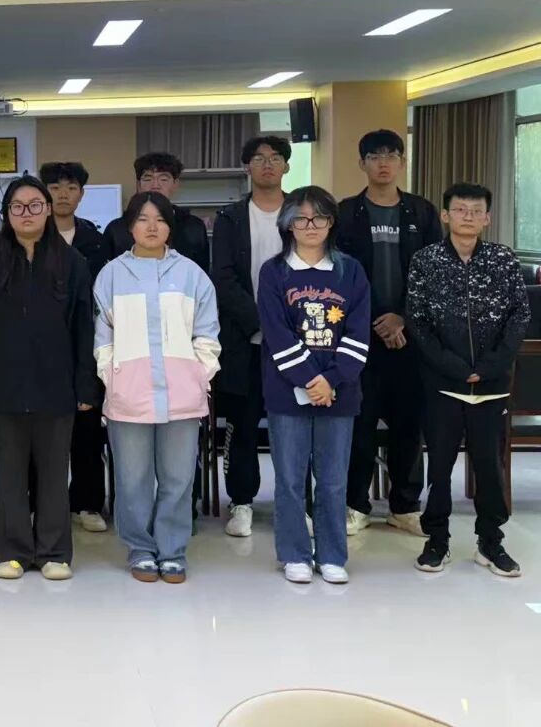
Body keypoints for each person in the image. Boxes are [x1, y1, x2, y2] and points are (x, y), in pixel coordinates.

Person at [0, 177, 98, 581]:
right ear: (6, 213)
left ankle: (54, 552)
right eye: (18, 206)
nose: (27, 213)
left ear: (48, 210)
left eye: (35, 205)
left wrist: (85, 384)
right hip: (4, 382)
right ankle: (12, 550)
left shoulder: (72, 262)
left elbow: (84, 329)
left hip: (57, 384)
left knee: (55, 472)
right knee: (10, 472)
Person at [94, 192, 220, 584]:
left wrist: (199, 375)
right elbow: (102, 339)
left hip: (182, 395)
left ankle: (172, 550)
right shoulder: (111, 275)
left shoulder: (192, 275)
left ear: (171, 226)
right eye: (143, 219)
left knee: (178, 478)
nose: (152, 227)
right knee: (132, 479)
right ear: (129, 225)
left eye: (160, 219)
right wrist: (113, 377)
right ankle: (140, 549)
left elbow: (208, 335)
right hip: (128, 395)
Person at [407, 183, 530, 578]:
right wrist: (456, 367)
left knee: (489, 467)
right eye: (460, 210)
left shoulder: (502, 260)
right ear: (446, 215)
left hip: (491, 386)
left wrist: (491, 366)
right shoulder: (426, 261)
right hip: (443, 383)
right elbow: (417, 321)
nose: (468, 217)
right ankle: (437, 540)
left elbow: (519, 316)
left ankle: (490, 542)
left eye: (476, 211)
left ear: (487, 218)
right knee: (439, 466)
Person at [258, 186, 370, 585]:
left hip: (340, 392)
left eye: (319, 217)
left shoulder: (350, 271)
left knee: (334, 480)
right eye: (301, 218)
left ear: (331, 223)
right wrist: (309, 379)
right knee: (290, 480)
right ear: (288, 224)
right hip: (286, 391)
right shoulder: (274, 272)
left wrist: (332, 380)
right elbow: (276, 333)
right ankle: (294, 554)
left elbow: (358, 333)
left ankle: (332, 555)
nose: (310, 225)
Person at [335, 130, 443, 537]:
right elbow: (341, 275)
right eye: (375, 155)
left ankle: (405, 505)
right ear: (361, 163)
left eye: (391, 155)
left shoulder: (422, 212)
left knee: (408, 425)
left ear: (402, 161)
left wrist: (402, 318)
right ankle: (355, 504)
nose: (383, 162)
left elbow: (434, 274)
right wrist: (380, 318)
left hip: (411, 339)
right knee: (358, 424)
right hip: (360, 337)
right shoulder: (346, 213)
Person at [213, 136, 291, 537]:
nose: (267, 164)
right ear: (247, 167)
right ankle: (241, 502)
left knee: (293, 428)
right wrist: (261, 322)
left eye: (275, 158)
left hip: (297, 341)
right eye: (259, 159)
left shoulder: (303, 213)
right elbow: (223, 278)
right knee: (241, 426)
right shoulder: (230, 217)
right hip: (245, 340)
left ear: (286, 166)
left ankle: (294, 504)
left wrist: (286, 327)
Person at [41, 160, 112, 534]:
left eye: (70, 188)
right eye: (55, 188)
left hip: (87, 344)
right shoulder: (30, 237)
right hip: (40, 348)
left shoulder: (96, 241)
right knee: (42, 434)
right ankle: (43, 504)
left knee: (86, 431)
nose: (62, 195)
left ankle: (87, 503)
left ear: (82, 194)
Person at [103, 152, 210, 273]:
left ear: (175, 184)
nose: (155, 185)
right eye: (148, 179)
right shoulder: (116, 229)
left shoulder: (194, 227)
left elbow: (202, 273)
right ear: (138, 185)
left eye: (163, 179)